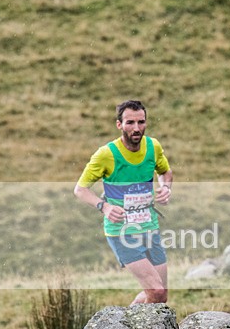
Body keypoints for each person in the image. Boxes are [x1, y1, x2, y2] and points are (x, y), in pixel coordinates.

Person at [74, 100, 173, 305]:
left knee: (160, 296)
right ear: (119, 125)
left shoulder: (153, 146)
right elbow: (80, 190)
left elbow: (165, 172)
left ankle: (128, 325)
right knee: (156, 291)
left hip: (149, 226)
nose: (136, 128)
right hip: (122, 231)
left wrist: (165, 188)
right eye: (130, 123)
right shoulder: (106, 154)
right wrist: (104, 206)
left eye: (141, 122)